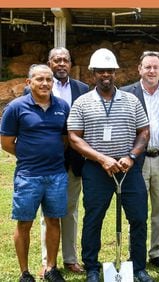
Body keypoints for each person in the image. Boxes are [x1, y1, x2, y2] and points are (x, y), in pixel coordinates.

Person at [67, 48, 153, 282]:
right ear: (93, 73)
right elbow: (74, 136)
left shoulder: (131, 100)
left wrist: (132, 156)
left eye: (110, 71)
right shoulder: (82, 103)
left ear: (116, 73)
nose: (106, 74)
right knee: (93, 218)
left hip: (128, 168)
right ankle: (92, 267)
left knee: (138, 218)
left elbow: (144, 131)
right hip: (96, 169)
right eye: (101, 71)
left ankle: (138, 268)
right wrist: (101, 158)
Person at [24, 47, 88, 277]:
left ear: (70, 64)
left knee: (70, 211)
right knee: (47, 215)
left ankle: (70, 259)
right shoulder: (32, 89)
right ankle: (47, 261)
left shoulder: (82, 89)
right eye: (56, 60)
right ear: (49, 63)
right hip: (44, 164)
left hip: (72, 161)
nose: (61, 64)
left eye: (65, 60)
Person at [1, 64, 69, 282]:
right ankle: (24, 272)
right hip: (28, 175)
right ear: (29, 83)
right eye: (40, 79)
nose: (45, 84)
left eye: (49, 80)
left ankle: (51, 268)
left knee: (53, 221)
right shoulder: (16, 107)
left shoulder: (62, 106)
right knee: (24, 223)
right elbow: (6, 143)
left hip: (56, 175)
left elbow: (66, 139)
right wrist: (30, 155)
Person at [121, 51, 159, 270]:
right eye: (147, 67)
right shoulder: (126, 94)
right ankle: (135, 253)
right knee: (137, 210)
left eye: (155, 67)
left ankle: (157, 252)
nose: (152, 71)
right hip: (137, 161)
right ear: (139, 69)